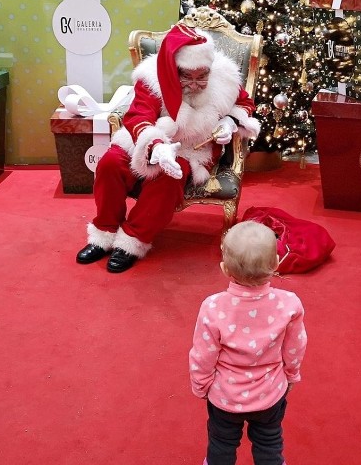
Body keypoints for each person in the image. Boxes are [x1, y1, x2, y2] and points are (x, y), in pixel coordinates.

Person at [76, 24, 260, 272]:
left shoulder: (224, 77)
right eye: (187, 76)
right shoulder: (152, 78)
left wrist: (231, 121)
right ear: (173, 68)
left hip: (193, 148)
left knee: (170, 176)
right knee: (109, 163)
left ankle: (132, 240)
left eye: (202, 75)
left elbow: (246, 103)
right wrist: (157, 147)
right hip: (147, 139)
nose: (195, 83)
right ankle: (105, 232)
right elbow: (138, 115)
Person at [189, 221, 307, 465]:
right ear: (276, 262)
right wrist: (291, 375)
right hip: (270, 394)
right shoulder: (289, 304)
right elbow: (295, 346)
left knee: (221, 443)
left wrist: (201, 386)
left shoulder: (212, 307)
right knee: (269, 442)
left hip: (224, 397)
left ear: (225, 269)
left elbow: (203, 355)